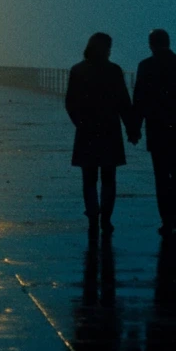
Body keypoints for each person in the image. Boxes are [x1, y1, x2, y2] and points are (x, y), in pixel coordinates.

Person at [130, 29, 176, 235]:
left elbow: (139, 100)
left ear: (150, 44)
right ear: (168, 42)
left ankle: (166, 219)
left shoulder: (146, 66)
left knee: (161, 175)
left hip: (157, 129)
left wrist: (134, 128)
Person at [65, 32, 138, 234]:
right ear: (105, 49)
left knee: (88, 177)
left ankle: (92, 214)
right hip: (109, 131)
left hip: (86, 131)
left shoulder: (78, 70)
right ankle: (106, 218)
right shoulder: (113, 71)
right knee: (109, 177)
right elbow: (124, 102)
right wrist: (132, 129)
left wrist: (79, 122)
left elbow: (70, 102)